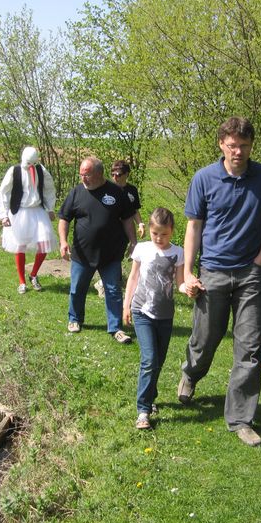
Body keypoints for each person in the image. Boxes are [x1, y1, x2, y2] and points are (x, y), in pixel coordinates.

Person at [178, 116, 261, 447]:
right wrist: (188, 271)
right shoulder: (204, 178)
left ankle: (241, 419)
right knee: (206, 337)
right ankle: (191, 373)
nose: (238, 152)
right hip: (213, 271)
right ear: (221, 144)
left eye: (244, 146)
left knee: (249, 348)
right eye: (232, 145)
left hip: (251, 274)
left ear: (252, 146)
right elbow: (194, 226)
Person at [58, 157, 137, 344]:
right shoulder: (76, 193)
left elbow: (127, 219)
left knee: (113, 291)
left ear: (100, 173)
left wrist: (134, 242)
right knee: (77, 288)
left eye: (87, 175)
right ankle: (75, 319)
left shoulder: (116, 192)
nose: (83, 178)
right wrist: (63, 241)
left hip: (110, 254)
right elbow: (64, 218)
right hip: (82, 253)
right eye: (81, 175)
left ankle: (116, 328)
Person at [123, 207, 186, 429]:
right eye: (155, 233)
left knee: (158, 361)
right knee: (149, 359)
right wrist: (126, 305)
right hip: (142, 311)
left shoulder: (178, 253)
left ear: (172, 231)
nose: (159, 238)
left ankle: (150, 396)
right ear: (149, 229)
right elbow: (133, 278)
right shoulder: (142, 249)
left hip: (165, 315)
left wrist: (190, 288)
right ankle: (143, 410)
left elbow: (180, 282)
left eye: (164, 234)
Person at [0, 146, 57, 294]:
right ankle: (22, 281)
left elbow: (49, 189)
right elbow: (4, 193)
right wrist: (3, 215)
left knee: (44, 244)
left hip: (38, 211)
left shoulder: (41, 170)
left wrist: (50, 208)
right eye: (28, 163)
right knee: (20, 246)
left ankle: (33, 275)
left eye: (32, 163)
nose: (30, 166)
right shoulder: (14, 171)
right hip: (19, 212)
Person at [94, 160, 144, 298]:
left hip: (125, 230)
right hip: (110, 229)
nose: (115, 177)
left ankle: (108, 283)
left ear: (127, 174)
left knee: (119, 256)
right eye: (113, 174)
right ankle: (104, 284)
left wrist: (140, 224)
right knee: (110, 256)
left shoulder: (132, 190)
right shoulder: (106, 189)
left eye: (119, 174)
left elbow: (134, 210)